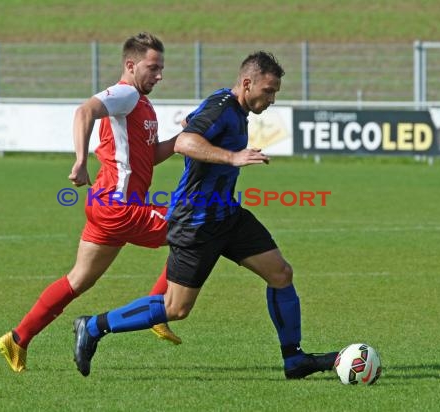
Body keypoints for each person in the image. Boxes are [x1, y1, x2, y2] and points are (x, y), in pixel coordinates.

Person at [72, 51, 338, 379]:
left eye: (276, 93)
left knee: (281, 273)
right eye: (268, 91)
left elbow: (192, 124)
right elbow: (185, 140)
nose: (272, 99)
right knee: (176, 308)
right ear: (247, 83)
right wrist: (231, 157)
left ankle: (294, 359)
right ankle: (94, 326)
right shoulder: (224, 108)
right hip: (197, 220)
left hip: (227, 214)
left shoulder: (229, 105)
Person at [0, 32, 183, 373]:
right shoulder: (126, 93)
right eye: (153, 68)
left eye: (161, 69)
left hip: (106, 205)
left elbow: (148, 156)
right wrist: (80, 160)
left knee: (78, 280)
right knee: (196, 229)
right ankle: (159, 310)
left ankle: (18, 337)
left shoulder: (141, 103)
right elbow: (85, 111)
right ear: (131, 65)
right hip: (119, 206)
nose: (159, 76)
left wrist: (180, 139)